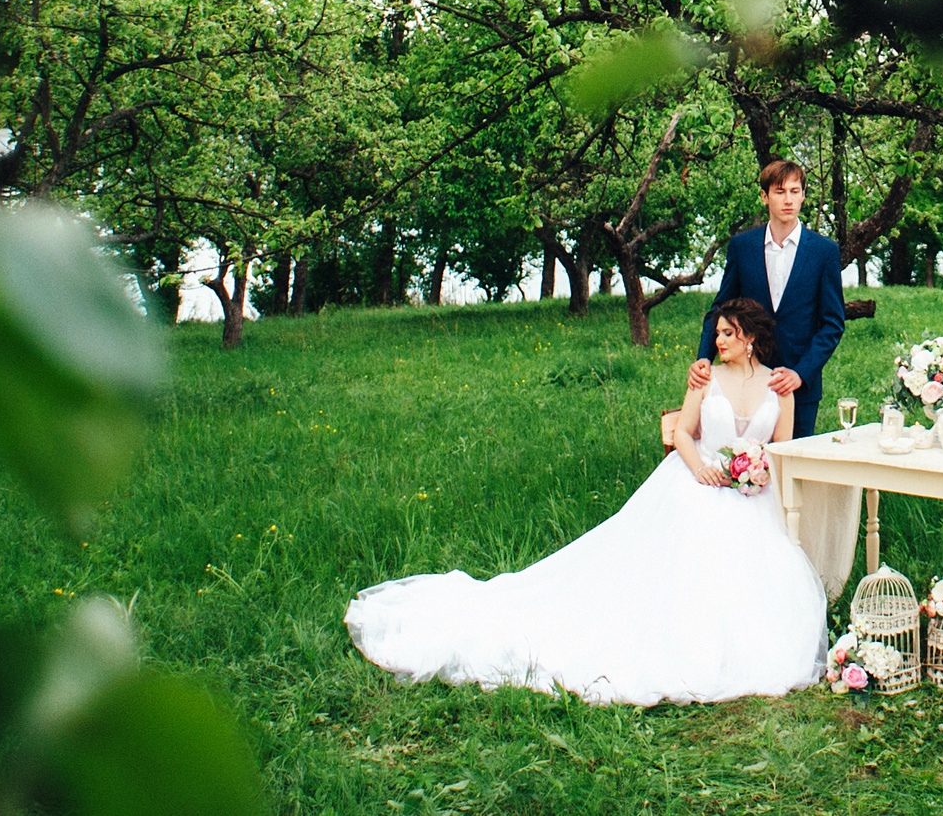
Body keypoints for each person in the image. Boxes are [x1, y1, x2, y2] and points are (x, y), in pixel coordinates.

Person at [344, 299, 827, 705]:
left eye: (727, 333)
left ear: (750, 339)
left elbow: (780, 448)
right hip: (697, 483)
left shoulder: (778, 386)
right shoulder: (705, 379)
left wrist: (756, 472)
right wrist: (700, 467)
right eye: (717, 332)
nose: (717, 341)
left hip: (750, 496)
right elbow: (682, 432)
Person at [689, 159, 846, 437]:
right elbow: (720, 308)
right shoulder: (742, 246)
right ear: (764, 196)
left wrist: (801, 372)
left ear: (803, 195)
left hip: (797, 385)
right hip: (744, 382)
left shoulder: (824, 251)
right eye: (779, 191)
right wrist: (704, 357)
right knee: (739, 467)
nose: (788, 200)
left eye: (795, 191)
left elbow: (833, 323)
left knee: (790, 470)